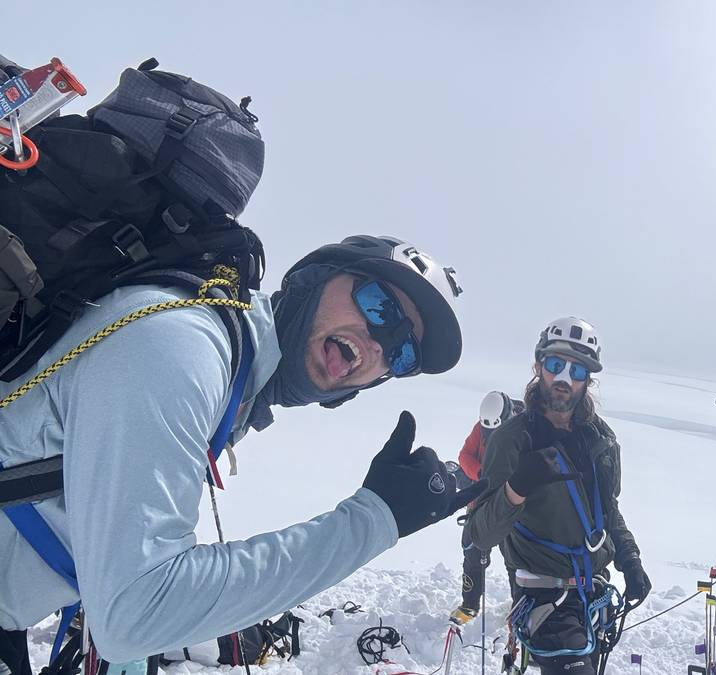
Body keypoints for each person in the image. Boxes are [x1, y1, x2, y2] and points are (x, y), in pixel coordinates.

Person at [0, 235, 485, 673]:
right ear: (311, 278)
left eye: (402, 355)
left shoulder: (235, 387)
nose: (380, 342)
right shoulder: (182, 347)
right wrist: (374, 521)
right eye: (378, 306)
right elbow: (136, 611)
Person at [467, 317, 651, 675]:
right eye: (556, 365)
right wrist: (515, 489)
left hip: (592, 596)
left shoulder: (600, 437)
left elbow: (608, 511)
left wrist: (630, 560)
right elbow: (478, 533)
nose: (564, 379)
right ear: (539, 367)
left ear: (588, 379)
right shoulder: (513, 439)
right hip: (544, 598)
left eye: (577, 370)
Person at [449, 390, 525, 626]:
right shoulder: (481, 428)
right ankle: (470, 605)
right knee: (472, 551)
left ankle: (521, 606)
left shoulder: (523, 430)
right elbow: (465, 456)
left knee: (515, 557)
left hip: (510, 505)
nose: (490, 434)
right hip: (481, 500)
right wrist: (482, 475)